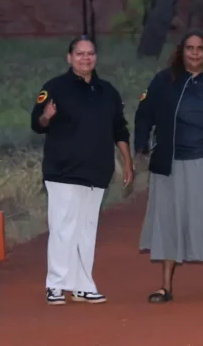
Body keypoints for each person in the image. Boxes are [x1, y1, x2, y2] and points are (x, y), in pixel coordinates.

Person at [134, 30, 203, 304]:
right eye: (189, 48)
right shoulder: (164, 80)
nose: (194, 53)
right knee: (170, 219)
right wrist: (142, 145)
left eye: (200, 48)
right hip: (172, 160)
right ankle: (165, 287)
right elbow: (144, 113)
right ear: (181, 51)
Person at [30, 35, 134, 306]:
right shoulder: (55, 88)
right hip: (63, 171)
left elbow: (119, 129)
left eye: (90, 54)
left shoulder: (107, 91)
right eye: (80, 54)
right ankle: (55, 284)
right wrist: (47, 116)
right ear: (69, 57)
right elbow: (37, 123)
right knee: (63, 228)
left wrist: (127, 162)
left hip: (97, 171)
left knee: (87, 230)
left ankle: (82, 285)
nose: (85, 58)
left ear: (95, 57)